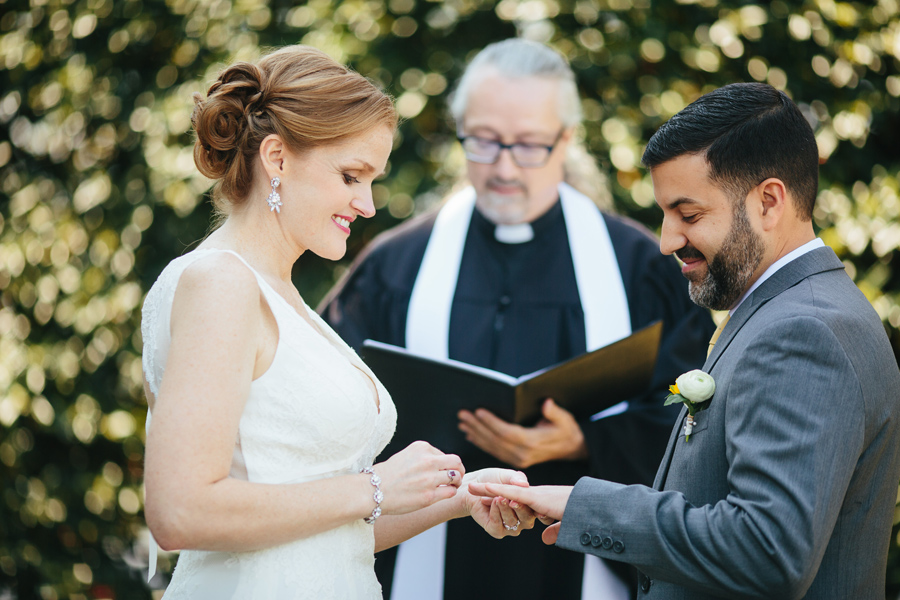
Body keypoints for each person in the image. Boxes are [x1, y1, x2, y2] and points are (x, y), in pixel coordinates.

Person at [470, 82, 900, 599]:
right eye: (666, 215)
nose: (667, 240)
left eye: (689, 215)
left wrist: (586, 506)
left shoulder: (805, 331)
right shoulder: (787, 311)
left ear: (769, 201)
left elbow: (768, 550)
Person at [320, 39, 714, 600]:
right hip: (428, 555)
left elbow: (692, 414)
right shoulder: (396, 263)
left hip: (581, 564)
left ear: (567, 140)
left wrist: (585, 442)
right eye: (483, 141)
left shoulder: (638, 265)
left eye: (528, 145)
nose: (503, 167)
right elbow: (327, 409)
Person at [139, 45, 536, 600]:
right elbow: (180, 512)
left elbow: (323, 537)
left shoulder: (284, 297)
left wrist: (459, 497)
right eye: (352, 175)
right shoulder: (221, 284)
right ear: (276, 158)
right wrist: (375, 486)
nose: (368, 204)